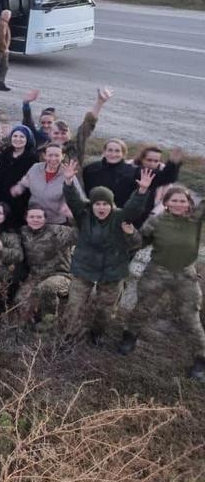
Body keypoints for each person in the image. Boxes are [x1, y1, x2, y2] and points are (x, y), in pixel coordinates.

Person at [62, 160, 152, 345]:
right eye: (97, 204)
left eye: (105, 204)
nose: (101, 208)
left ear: (112, 205)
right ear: (91, 205)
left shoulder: (120, 217)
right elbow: (73, 200)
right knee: (74, 305)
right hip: (84, 267)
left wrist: (142, 191)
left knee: (105, 309)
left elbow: (134, 207)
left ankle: (97, 333)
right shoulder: (84, 216)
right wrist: (69, 181)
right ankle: (69, 336)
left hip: (113, 270)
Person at [119, 186, 205, 381]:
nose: (178, 204)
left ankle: (201, 358)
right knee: (142, 308)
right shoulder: (156, 221)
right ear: (166, 203)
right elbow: (139, 242)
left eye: (182, 201)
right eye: (174, 200)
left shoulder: (195, 219)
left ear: (189, 203)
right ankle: (129, 337)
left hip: (185, 275)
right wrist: (130, 233)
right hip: (156, 272)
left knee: (191, 317)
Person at [17, 206, 75, 324]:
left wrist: (72, 217)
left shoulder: (57, 231)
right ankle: (30, 327)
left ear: (45, 219)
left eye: (39, 217)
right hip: (35, 276)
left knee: (46, 287)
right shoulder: (23, 232)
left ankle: (49, 322)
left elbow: (80, 233)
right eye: (32, 217)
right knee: (20, 300)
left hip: (61, 275)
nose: (35, 220)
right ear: (26, 218)